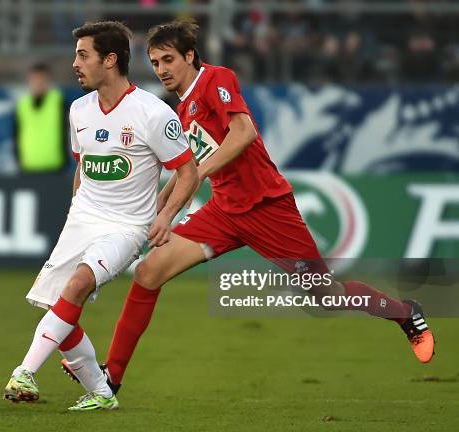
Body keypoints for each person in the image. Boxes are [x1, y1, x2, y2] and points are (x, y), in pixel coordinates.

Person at [62, 20, 436, 398]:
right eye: (155, 62)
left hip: (267, 208)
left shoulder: (215, 80)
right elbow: (187, 162)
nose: (161, 69)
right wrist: (163, 202)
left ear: (190, 56)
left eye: (168, 59)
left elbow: (244, 133)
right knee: (148, 271)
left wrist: (199, 174)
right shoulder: (181, 107)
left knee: (326, 296)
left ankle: (405, 313)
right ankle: (112, 377)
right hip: (224, 213)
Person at [3, 21, 198, 411]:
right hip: (83, 219)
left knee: (76, 286)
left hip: (127, 227)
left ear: (110, 60)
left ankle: (24, 372)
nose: (75, 64)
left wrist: (166, 216)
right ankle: (101, 393)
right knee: (59, 307)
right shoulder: (78, 110)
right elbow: (84, 165)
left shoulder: (152, 113)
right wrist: (77, 211)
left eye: (82, 55)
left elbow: (188, 171)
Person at [14, 63, 67, 172]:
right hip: (27, 167)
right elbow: (16, 134)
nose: (38, 82)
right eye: (35, 79)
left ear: (48, 80)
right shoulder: (22, 105)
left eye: (42, 79)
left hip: (55, 166)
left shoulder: (58, 101)